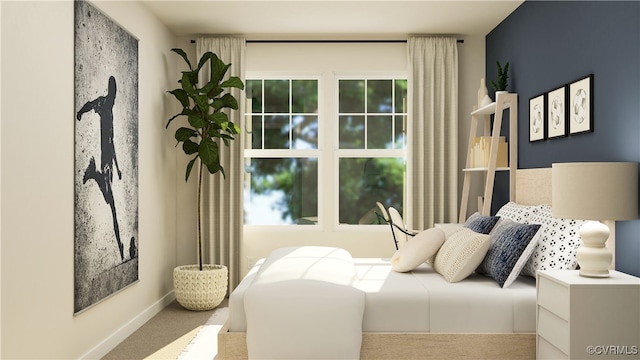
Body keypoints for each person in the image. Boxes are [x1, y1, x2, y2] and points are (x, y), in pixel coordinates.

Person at [77, 76, 125, 261]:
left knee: (108, 198)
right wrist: (80, 112)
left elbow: (112, 142)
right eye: (113, 92)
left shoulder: (109, 106)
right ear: (110, 91)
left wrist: (118, 167)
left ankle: (93, 173)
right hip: (105, 158)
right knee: (110, 202)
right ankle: (94, 173)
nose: (114, 96)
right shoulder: (104, 104)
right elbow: (89, 104)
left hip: (109, 159)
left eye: (115, 94)